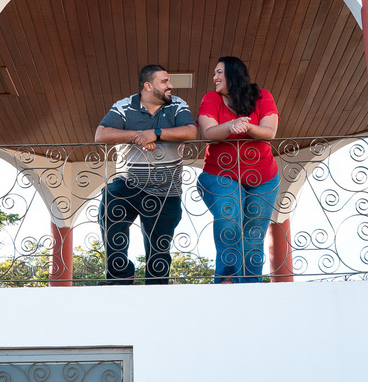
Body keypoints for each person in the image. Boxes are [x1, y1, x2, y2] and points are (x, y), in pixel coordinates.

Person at [95, 64, 197, 284]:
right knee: (109, 207)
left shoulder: (177, 105)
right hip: (128, 184)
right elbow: (101, 134)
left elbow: (190, 131)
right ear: (148, 86)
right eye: (165, 81)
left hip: (166, 190)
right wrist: (139, 136)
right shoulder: (123, 106)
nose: (170, 85)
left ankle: (156, 290)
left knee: (159, 250)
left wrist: (156, 134)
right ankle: (120, 278)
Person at [197, 56, 280, 283]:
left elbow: (269, 132)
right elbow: (209, 133)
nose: (214, 78)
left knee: (254, 233)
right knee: (229, 219)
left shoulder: (263, 96)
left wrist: (248, 125)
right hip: (219, 174)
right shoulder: (211, 99)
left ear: (233, 74)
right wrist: (230, 126)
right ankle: (228, 279)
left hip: (264, 177)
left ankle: (251, 284)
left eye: (219, 72)